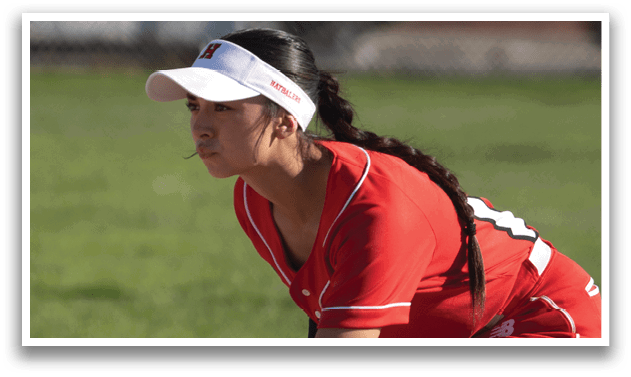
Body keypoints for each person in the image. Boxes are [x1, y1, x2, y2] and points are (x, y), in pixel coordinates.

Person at [145, 28, 601, 338]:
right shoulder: (253, 196)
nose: (201, 127)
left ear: (285, 121)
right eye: (194, 107)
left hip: (538, 318)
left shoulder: (375, 205)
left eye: (223, 108)